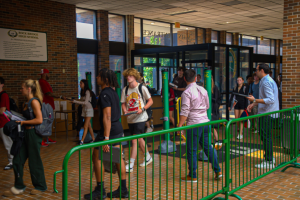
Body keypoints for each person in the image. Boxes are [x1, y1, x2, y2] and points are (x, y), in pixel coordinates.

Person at [84, 69, 128, 199]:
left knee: (97, 157)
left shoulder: (104, 94)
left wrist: (106, 138)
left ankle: (100, 190)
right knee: (118, 158)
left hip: (109, 132)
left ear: (106, 79)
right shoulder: (113, 92)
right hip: (118, 129)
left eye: (99, 75)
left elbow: (107, 116)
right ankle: (123, 189)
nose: (97, 77)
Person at [3, 80, 47, 197]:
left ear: (29, 89)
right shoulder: (26, 102)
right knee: (17, 159)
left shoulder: (34, 102)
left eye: (22, 88)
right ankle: (19, 186)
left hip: (33, 134)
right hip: (25, 134)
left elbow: (39, 120)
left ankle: (40, 186)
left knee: (34, 161)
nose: (20, 90)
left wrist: (22, 122)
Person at [178, 69, 222, 182]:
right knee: (208, 147)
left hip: (194, 124)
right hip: (206, 122)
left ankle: (192, 175)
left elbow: (185, 111)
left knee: (191, 150)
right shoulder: (203, 89)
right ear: (196, 78)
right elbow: (207, 106)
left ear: (184, 79)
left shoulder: (186, 93)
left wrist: (179, 126)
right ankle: (218, 171)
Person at [247, 63, 279, 169]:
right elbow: (265, 98)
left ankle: (269, 160)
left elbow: (270, 100)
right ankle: (269, 157)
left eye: (256, 70)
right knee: (266, 137)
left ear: (261, 71)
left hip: (267, 114)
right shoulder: (266, 80)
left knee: (266, 137)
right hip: (267, 113)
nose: (255, 72)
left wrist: (254, 100)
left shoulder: (266, 82)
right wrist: (253, 104)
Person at [121, 68, 153, 173]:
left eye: (130, 76)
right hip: (130, 118)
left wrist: (143, 109)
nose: (128, 78)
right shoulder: (125, 89)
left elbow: (150, 101)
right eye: (127, 76)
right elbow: (123, 103)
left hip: (141, 117)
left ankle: (130, 164)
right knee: (139, 139)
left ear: (134, 76)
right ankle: (148, 157)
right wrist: (125, 110)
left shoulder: (141, 88)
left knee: (134, 139)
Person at [65, 80, 95, 145]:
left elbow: (85, 102)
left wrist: (75, 102)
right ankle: (93, 139)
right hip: (84, 109)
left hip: (89, 109)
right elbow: (81, 100)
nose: (80, 84)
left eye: (81, 83)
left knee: (85, 126)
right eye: (80, 83)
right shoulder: (82, 91)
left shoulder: (87, 92)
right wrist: (71, 99)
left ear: (84, 84)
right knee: (89, 125)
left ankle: (82, 141)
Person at [38, 68, 58, 147]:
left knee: (48, 122)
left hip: (49, 105)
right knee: (45, 122)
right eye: (48, 74)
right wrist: (59, 96)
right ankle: (41, 140)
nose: (49, 75)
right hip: (46, 105)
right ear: (44, 74)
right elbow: (48, 93)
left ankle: (47, 138)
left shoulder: (45, 82)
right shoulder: (42, 82)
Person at [0, 77, 14, 170]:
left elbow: (2, 111)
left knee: (7, 143)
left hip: (3, 123)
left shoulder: (3, 95)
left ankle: (12, 161)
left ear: (2, 84)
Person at [211, 76, 222, 150]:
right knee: (209, 128)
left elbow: (216, 99)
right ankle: (213, 142)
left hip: (213, 110)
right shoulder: (204, 87)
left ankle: (217, 141)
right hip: (208, 110)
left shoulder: (215, 88)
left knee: (212, 127)